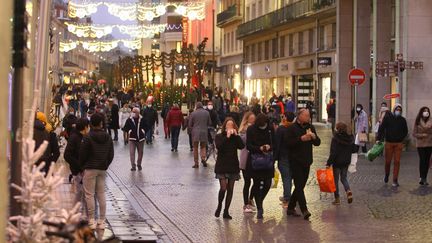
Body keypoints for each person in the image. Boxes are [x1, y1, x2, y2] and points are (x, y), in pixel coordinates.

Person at [79, 113, 114, 230]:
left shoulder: (88, 137)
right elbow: (111, 154)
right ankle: (102, 220)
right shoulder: (108, 137)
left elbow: (82, 154)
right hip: (102, 169)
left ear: (91, 124)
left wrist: (83, 166)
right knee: (101, 194)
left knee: (89, 195)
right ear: (101, 123)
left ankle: (92, 220)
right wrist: (105, 164)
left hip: (89, 168)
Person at [285, 109, 320, 220]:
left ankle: (290, 207)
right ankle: (304, 209)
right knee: (299, 185)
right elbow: (288, 143)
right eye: (305, 115)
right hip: (295, 161)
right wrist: (301, 139)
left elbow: (317, 143)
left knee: (301, 185)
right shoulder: (291, 128)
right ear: (299, 116)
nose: (308, 117)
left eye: (308, 116)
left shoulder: (310, 127)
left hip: (307, 161)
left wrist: (314, 137)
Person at [214, 118, 245, 219]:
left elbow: (241, 146)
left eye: (232, 125)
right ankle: (219, 205)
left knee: (230, 189)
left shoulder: (235, 138)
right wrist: (227, 137)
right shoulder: (219, 136)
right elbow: (219, 147)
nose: (230, 127)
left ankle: (226, 211)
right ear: (225, 126)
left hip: (232, 165)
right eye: (228, 125)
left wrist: (236, 136)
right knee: (223, 188)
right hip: (222, 165)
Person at [246, 114, 275, 219]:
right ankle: (259, 208)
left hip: (267, 161)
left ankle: (260, 200)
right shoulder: (251, 129)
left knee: (267, 184)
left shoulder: (270, 129)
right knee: (257, 184)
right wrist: (260, 148)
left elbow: (274, 143)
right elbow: (248, 146)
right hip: (255, 161)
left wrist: (269, 147)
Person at [377, 104, 408, 187]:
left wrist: (401, 138)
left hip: (398, 143)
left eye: (399, 110)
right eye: (397, 109)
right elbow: (381, 128)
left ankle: (395, 179)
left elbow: (405, 131)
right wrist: (378, 139)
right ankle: (387, 175)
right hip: (389, 143)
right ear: (394, 110)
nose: (398, 111)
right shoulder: (388, 118)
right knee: (388, 162)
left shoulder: (403, 120)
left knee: (397, 161)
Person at [64, 118, 90, 216]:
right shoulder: (75, 137)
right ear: (84, 127)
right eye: (88, 126)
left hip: (83, 170)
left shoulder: (83, 137)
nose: (89, 128)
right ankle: (76, 214)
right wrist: (79, 166)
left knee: (83, 194)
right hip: (78, 171)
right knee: (80, 193)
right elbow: (67, 155)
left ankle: (81, 214)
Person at [326, 122, 355, 205]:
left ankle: (337, 199)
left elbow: (333, 152)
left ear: (337, 129)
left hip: (337, 163)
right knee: (343, 178)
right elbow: (353, 149)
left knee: (335, 181)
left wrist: (328, 163)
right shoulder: (349, 138)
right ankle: (348, 190)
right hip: (346, 162)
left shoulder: (335, 139)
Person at [274, 112, 295, 207]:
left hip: (284, 156)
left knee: (286, 177)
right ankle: (288, 195)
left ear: (285, 118)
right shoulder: (295, 128)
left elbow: (277, 144)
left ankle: (287, 197)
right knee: (290, 176)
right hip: (294, 156)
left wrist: (275, 157)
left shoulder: (281, 129)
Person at [238, 111, 256, 213]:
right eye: (251, 119)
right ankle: (246, 204)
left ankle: (250, 198)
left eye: (254, 120)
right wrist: (249, 130)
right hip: (246, 158)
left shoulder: (256, 128)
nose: (253, 121)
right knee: (247, 182)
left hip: (255, 158)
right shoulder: (243, 130)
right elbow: (242, 142)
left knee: (257, 181)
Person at [412, 106, 432, 186]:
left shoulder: (431, 121)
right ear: (421, 112)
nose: (426, 112)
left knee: (427, 162)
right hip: (420, 144)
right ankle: (421, 177)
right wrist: (422, 135)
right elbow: (414, 133)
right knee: (422, 160)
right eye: (424, 111)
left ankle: (425, 178)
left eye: (427, 111)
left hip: (430, 143)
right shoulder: (417, 121)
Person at [188, 102, 212, 168]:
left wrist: (191, 130)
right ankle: (203, 158)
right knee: (203, 147)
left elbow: (190, 124)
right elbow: (209, 123)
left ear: (196, 106)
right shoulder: (207, 113)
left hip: (195, 133)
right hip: (204, 132)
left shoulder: (193, 113)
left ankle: (196, 163)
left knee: (195, 147)